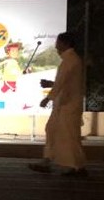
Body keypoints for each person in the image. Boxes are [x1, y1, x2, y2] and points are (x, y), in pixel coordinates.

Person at [28, 32, 88, 177]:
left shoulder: (70, 60)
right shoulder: (71, 59)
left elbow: (62, 82)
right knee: (54, 131)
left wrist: (48, 98)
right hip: (65, 104)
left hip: (68, 105)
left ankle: (76, 167)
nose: (56, 46)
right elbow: (66, 82)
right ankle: (49, 161)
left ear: (65, 43)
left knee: (68, 136)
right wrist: (51, 85)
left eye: (58, 42)